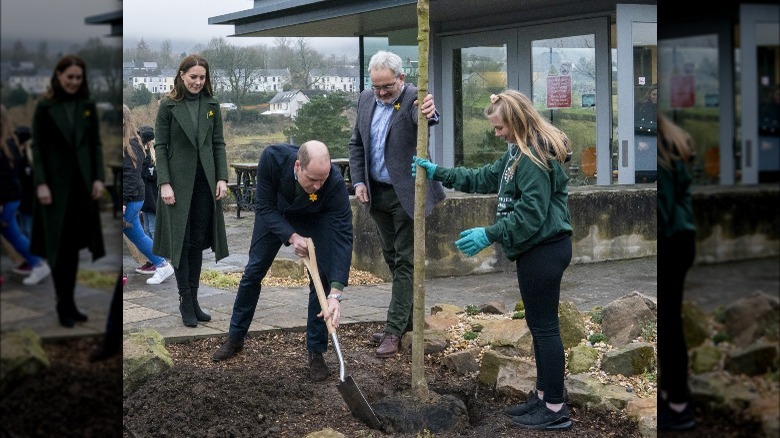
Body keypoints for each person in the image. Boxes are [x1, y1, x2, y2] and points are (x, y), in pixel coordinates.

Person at [414, 90, 573, 431]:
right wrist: (438, 172)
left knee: (545, 327)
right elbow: (484, 177)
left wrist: (489, 233)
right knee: (538, 324)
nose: (497, 134)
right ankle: (543, 396)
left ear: (516, 121)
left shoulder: (533, 159)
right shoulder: (517, 152)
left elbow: (531, 216)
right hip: (536, 249)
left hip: (545, 248)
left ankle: (555, 408)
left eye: (500, 127)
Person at [211, 141, 352, 383]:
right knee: (253, 271)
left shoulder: (334, 183)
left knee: (321, 278)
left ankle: (316, 352)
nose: (318, 185)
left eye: (323, 179)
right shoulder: (272, 159)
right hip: (275, 213)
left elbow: (343, 234)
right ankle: (235, 337)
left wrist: (336, 292)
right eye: (312, 179)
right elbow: (263, 206)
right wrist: (291, 236)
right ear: (298, 166)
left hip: (314, 216)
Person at [348, 50, 445, 358]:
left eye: (387, 87)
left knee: (405, 262)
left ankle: (393, 330)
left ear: (401, 79)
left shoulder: (416, 97)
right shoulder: (366, 99)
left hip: (407, 194)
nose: (381, 93)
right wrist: (359, 181)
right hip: (375, 194)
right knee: (392, 257)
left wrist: (430, 112)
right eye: (376, 86)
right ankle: (407, 320)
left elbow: (427, 116)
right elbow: (356, 143)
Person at [153, 54, 229, 327]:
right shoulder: (168, 106)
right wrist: (164, 182)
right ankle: (184, 300)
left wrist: (222, 178)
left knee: (197, 243)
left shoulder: (212, 104)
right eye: (193, 76)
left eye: (202, 77)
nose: (198, 82)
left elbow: (218, 144)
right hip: (176, 185)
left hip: (204, 183)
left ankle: (194, 300)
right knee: (180, 244)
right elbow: (159, 146)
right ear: (182, 75)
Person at [29, 54, 106, 327]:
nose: (74, 82)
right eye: (69, 77)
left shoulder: (87, 105)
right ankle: (63, 304)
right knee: (57, 248)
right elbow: (36, 147)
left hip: (81, 187)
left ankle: (70, 302)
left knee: (73, 249)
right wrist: (41, 183)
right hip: (53, 189)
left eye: (78, 77)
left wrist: (98, 178)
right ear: (59, 76)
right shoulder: (45, 107)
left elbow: (95, 144)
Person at [656, 112, 697, 431]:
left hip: (671, 242)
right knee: (671, 323)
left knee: (670, 326)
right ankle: (672, 395)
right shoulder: (673, 142)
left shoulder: (661, 151)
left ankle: (678, 404)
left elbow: (662, 209)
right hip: (682, 239)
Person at [121, 105, 174, 284]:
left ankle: (162, 264)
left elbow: (130, 176)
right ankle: (162, 265)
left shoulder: (132, 144)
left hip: (130, 199)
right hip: (131, 198)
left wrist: (123, 201)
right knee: (137, 234)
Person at [1, 104, 51, 285]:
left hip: (9, 199)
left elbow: (6, 177)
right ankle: (36, 263)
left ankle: (37, 263)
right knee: (15, 233)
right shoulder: (11, 144)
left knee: (16, 233)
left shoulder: (7, 145)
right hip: (13, 198)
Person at [135, 125, 159, 274]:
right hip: (145, 199)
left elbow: (152, 175)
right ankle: (152, 260)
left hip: (153, 199)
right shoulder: (143, 157)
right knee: (146, 230)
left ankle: (158, 259)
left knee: (153, 230)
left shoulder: (152, 159)